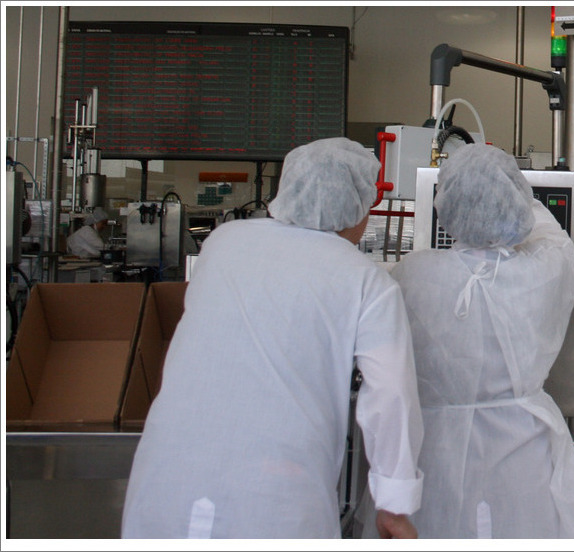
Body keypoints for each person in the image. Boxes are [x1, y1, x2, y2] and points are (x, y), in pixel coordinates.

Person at [121, 137, 424, 539]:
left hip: (165, 480)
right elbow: (391, 394)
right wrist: (394, 504)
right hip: (273, 496)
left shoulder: (223, 243)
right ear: (356, 207)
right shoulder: (365, 280)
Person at [365, 143, 574, 538]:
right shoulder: (545, 269)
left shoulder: (412, 274)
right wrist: (507, 185)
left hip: (434, 456)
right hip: (523, 456)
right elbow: (551, 233)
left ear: (446, 206)